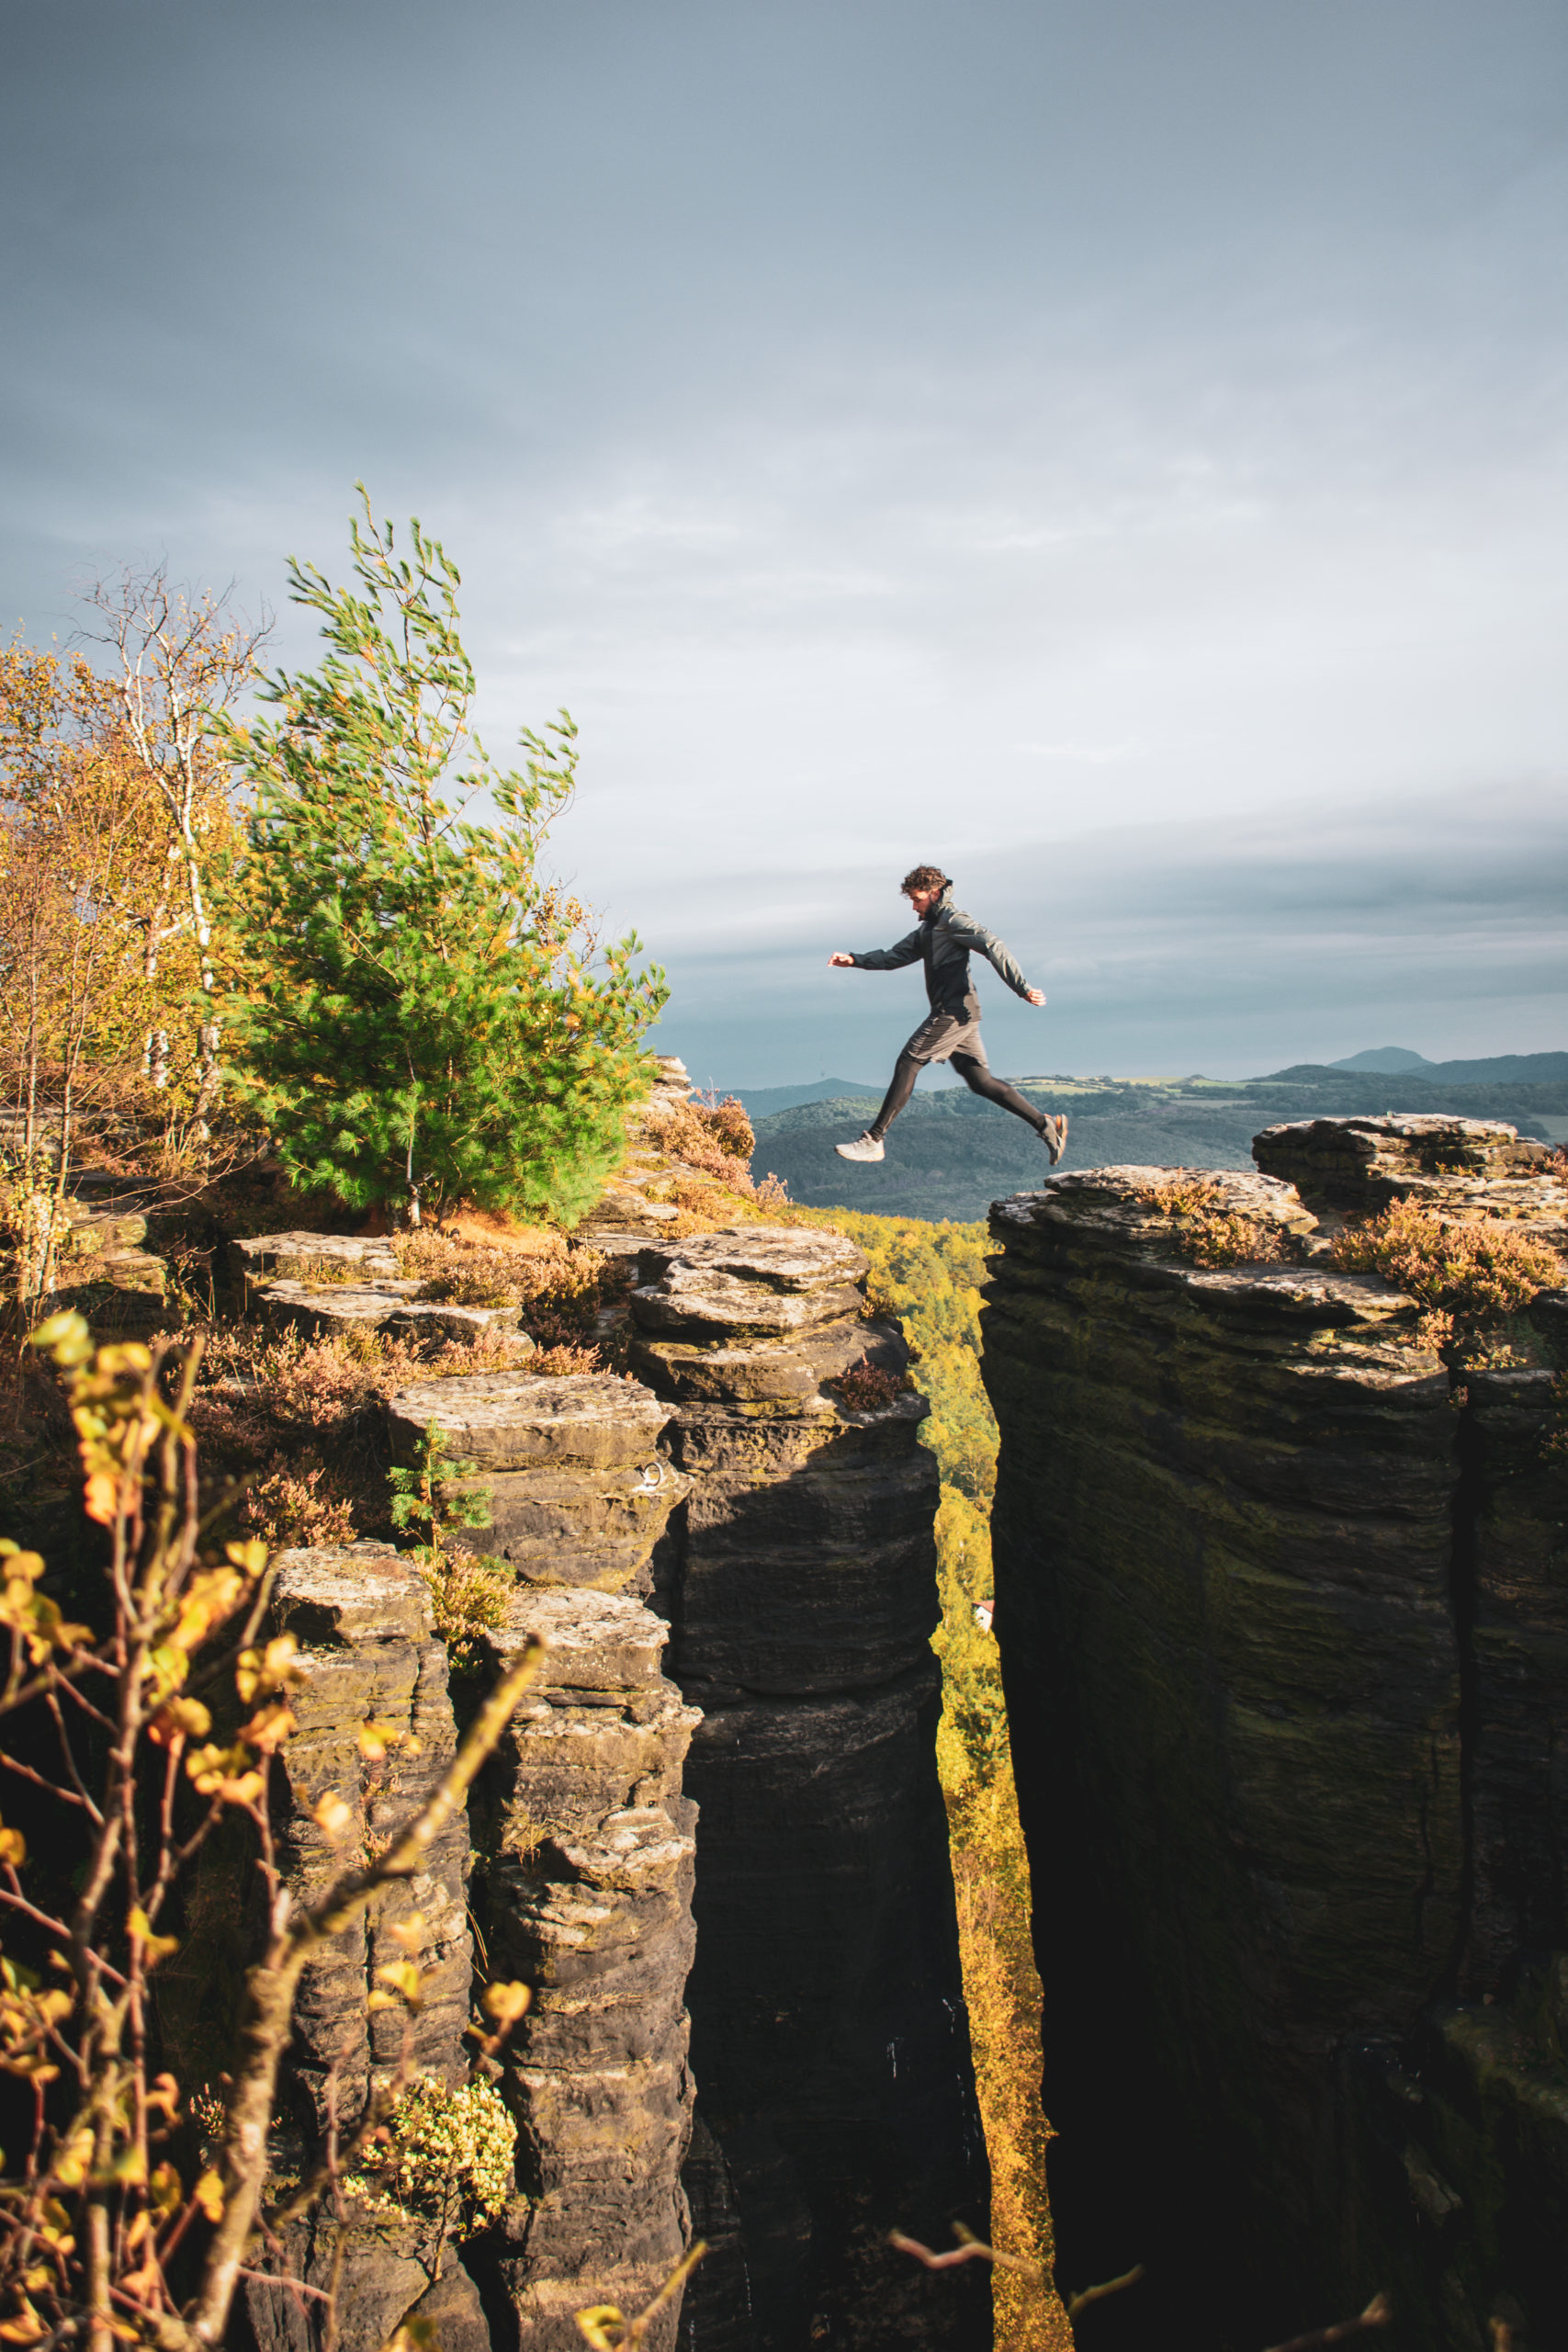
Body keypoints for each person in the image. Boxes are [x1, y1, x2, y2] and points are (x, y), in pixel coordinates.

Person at [828, 865, 1067, 1165]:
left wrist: (1021, 987)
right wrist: (854, 960)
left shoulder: (953, 921)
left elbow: (993, 944)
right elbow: (894, 957)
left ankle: (873, 1140)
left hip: (952, 1014)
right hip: (963, 1014)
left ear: (935, 893)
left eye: (917, 899)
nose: (914, 906)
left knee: (908, 1062)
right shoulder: (929, 929)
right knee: (980, 1081)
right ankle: (1047, 1125)